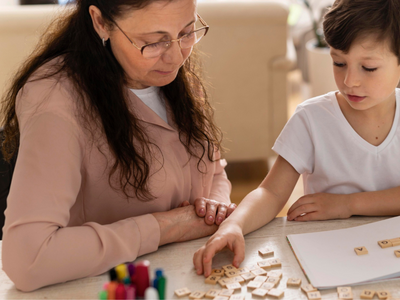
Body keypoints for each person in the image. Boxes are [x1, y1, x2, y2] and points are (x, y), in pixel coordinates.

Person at [193, 0, 400, 276]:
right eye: (339, 62)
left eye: (369, 68)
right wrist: (234, 226)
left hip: (398, 253)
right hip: (331, 254)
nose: (349, 80)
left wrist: (348, 204)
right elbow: (270, 192)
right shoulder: (312, 118)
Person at [1, 0, 236, 292]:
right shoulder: (55, 100)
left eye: (187, 32)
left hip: (189, 279)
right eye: (153, 41)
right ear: (100, 22)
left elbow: (212, 169)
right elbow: (27, 259)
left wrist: (214, 206)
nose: (177, 56)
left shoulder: (169, 74)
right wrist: (167, 227)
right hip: (105, 289)